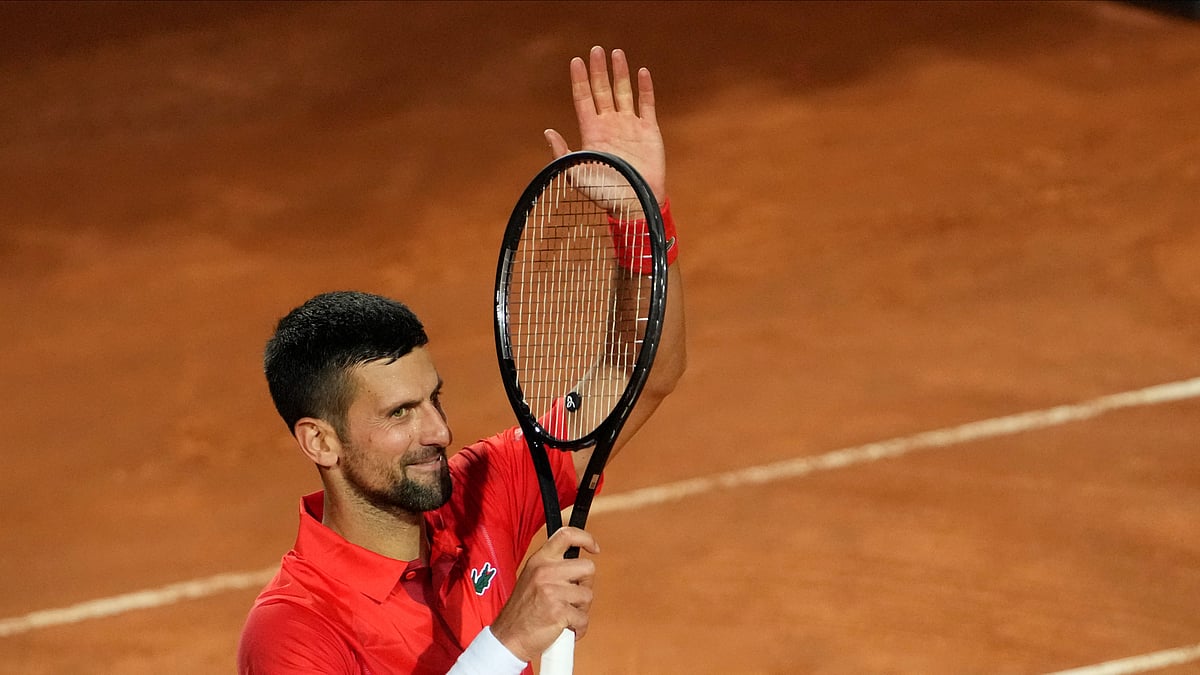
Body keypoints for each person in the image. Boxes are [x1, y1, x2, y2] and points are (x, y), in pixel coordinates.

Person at [237, 46, 687, 674]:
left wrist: (638, 222)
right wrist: (508, 642)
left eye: (434, 400)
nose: (439, 433)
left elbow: (643, 374)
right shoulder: (293, 632)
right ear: (320, 441)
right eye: (399, 414)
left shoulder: (483, 493)